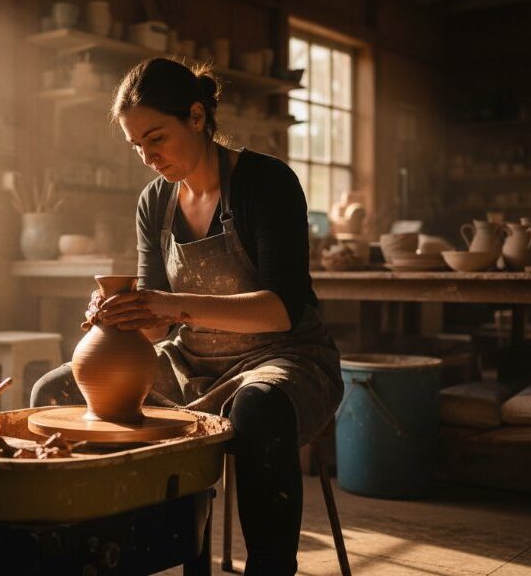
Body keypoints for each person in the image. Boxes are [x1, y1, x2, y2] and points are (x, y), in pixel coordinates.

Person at [30, 57, 343, 576]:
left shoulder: (267, 183)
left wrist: (171, 306)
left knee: (257, 410)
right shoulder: (155, 202)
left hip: (284, 360)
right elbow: (157, 327)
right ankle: (113, 556)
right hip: (190, 364)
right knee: (55, 394)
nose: (148, 157)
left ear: (197, 117)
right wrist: (122, 316)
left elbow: (282, 311)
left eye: (156, 138)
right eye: (137, 147)